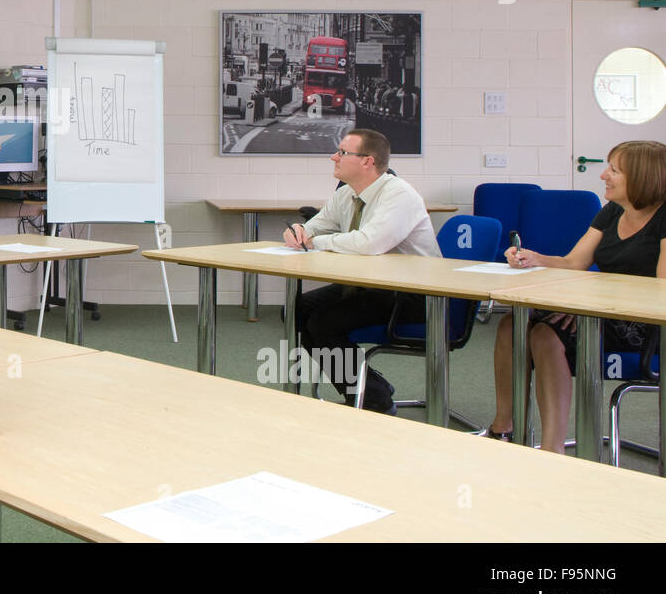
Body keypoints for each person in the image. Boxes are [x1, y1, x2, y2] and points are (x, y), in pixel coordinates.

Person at [483, 140, 666, 451]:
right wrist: (533, 258)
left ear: (643, 177)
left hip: (643, 322)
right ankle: (505, 428)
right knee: (512, 325)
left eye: (614, 170)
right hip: (601, 310)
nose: (603, 176)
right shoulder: (611, 212)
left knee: (544, 334)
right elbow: (574, 263)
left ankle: (552, 449)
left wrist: (588, 304)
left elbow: (659, 290)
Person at [283, 129, 441, 413]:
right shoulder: (347, 194)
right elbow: (316, 226)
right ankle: (371, 388)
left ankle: (373, 399)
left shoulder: (399, 194)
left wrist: (314, 242)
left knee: (324, 322)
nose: (334, 157)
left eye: (342, 152)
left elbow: (370, 243)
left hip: (417, 294)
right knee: (300, 308)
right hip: (373, 287)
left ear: (367, 162)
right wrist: (298, 231)